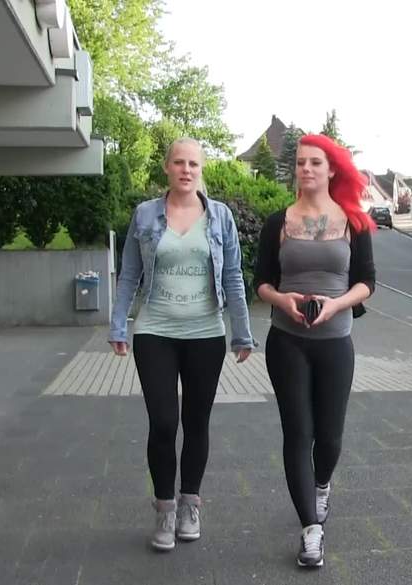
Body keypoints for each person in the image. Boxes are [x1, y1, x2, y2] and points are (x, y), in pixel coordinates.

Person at [108, 137, 256, 551]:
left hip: (205, 334)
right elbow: (129, 274)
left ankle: (190, 503)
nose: (186, 170)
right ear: (167, 167)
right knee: (162, 423)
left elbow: (233, 276)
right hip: (155, 331)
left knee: (196, 422)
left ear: (201, 169)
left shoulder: (220, 216)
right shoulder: (145, 214)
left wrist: (242, 331)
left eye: (193, 163)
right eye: (178, 162)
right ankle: (165, 509)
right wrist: (118, 325)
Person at [253, 133, 376, 568]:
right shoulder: (278, 222)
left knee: (330, 436)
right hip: (287, 341)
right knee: (297, 433)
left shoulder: (354, 222)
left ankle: (322, 483)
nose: (305, 168)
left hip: (335, 342)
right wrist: (282, 299)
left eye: (315, 163)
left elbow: (367, 282)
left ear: (331, 169)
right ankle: (311, 529)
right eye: (301, 162)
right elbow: (261, 280)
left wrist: (337, 304)